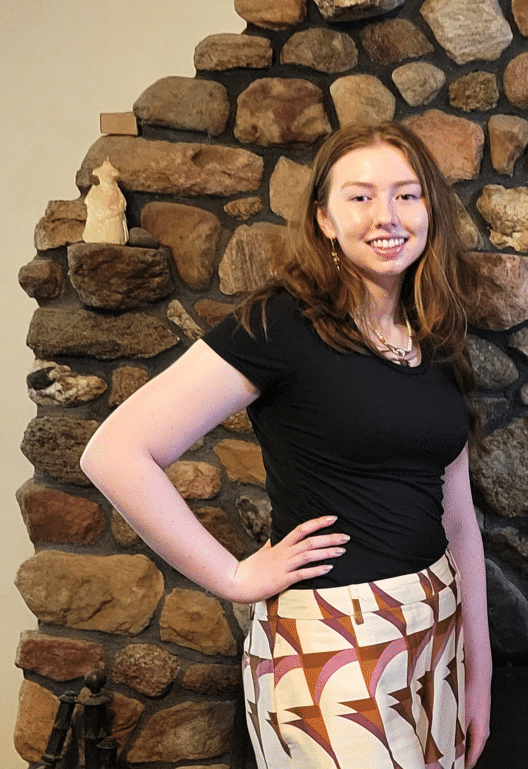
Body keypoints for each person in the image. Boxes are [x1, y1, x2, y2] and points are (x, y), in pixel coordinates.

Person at [80, 122, 491, 769]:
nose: (387, 215)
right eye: (360, 197)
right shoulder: (280, 324)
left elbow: (459, 515)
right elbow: (114, 451)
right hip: (331, 647)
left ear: (430, 211)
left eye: (407, 195)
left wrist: (478, 669)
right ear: (324, 218)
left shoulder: (434, 334)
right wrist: (234, 576)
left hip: (433, 626)